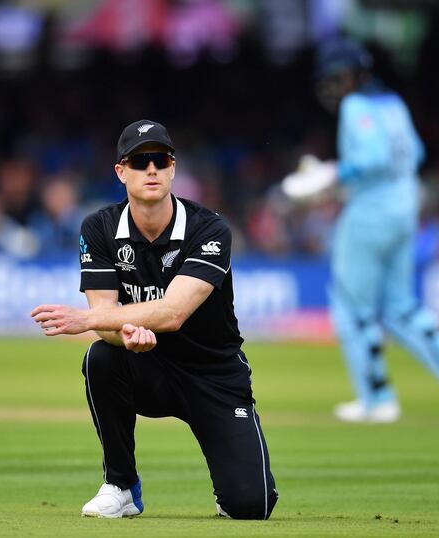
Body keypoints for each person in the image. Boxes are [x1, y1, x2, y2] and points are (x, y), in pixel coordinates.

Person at [31, 120, 278, 520]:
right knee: (100, 357)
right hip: (148, 368)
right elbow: (105, 322)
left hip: (213, 374)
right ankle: (121, 485)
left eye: (160, 160)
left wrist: (94, 319)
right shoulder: (99, 228)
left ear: (173, 168)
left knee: (252, 506)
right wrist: (122, 335)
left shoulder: (210, 228)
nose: (151, 170)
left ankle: (233, 483)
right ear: (120, 171)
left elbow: (173, 312)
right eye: (140, 161)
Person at [287, 38, 439, 423]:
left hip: (370, 212)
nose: (330, 85)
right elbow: (416, 153)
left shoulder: (356, 105)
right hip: (406, 208)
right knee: (399, 305)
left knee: (351, 306)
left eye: (333, 77)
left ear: (345, 76)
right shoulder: (393, 103)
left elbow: (372, 159)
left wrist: (330, 175)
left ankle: (377, 399)